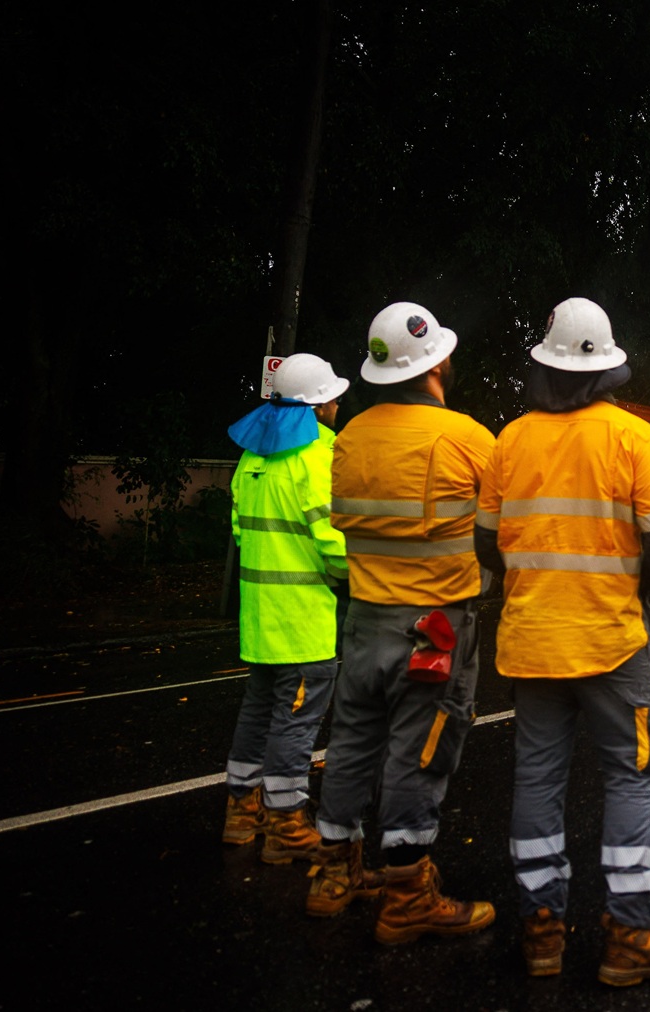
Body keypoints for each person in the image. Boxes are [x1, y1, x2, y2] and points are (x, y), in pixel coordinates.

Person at [475, 298, 650, 983]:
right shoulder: (633, 438)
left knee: (537, 779)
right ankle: (630, 938)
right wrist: (628, 587)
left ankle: (541, 932)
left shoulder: (510, 441)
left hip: (532, 641)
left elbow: (487, 542)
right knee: (631, 777)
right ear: (606, 368)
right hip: (611, 641)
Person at [310, 302, 498, 942]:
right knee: (420, 754)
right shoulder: (470, 440)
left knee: (353, 747)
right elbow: (503, 528)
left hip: (363, 622)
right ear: (439, 361)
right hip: (436, 632)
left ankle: (334, 873)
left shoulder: (350, 437)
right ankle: (408, 892)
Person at [220, 354, 349, 864]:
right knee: (296, 720)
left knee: (257, 712)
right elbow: (334, 541)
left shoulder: (252, 457)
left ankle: (240, 811)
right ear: (318, 405)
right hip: (303, 619)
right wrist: (354, 578)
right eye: (333, 397)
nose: (338, 404)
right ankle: (285, 822)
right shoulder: (316, 457)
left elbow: (238, 531)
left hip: (259, 616)